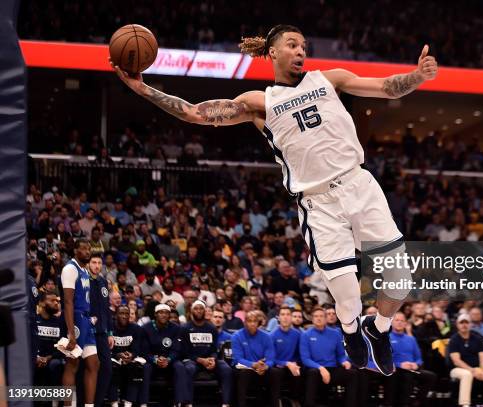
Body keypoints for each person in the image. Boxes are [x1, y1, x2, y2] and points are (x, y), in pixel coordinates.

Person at [110, 24, 437, 376]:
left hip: (360, 184)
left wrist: (417, 75)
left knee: (400, 277)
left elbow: (386, 88)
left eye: (304, 46)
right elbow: (194, 112)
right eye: (292, 45)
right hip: (319, 203)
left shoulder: (330, 79)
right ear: (272, 52)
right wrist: (141, 87)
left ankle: (380, 329)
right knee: (347, 297)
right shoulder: (259, 103)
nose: (300, 51)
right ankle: (352, 328)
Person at [60, 239, 99, 407]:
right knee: (72, 364)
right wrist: (71, 334)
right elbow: (68, 302)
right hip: (76, 320)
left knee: (93, 363)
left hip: (86, 320)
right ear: (75, 250)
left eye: (89, 249)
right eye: (83, 248)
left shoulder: (84, 270)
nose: (87, 251)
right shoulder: (70, 268)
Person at [300, 307, 357, 407]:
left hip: (332, 368)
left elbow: (340, 355)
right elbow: (305, 359)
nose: (318, 318)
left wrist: (344, 361)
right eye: (316, 316)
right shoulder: (305, 335)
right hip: (315, 369)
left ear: (326, 318)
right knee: (312, 373)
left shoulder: (335, 333)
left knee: (352, 374)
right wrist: (320, 368)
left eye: (321, 316)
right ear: (312, 319)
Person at [181, 300, 233, 407]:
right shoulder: (185, 328)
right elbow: (185, 352)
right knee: (188, 369)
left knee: (226, 369)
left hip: (209, 360)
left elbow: (214, 350)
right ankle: (188, 403)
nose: (199, 311)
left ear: (205, 311)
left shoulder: (211, 328)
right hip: (193, 360)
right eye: (196, 308)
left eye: (201, 309)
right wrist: (201, 360)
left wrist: (213, 359)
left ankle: (226, 403)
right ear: (191, 311)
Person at [380, 311, 437, 406]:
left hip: (411, 368)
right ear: (391, 322)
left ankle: (417, 402)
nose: (399, 322)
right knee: (406, 376)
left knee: (431, 376)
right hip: (395, 369)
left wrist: (416, 364)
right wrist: (400, 364)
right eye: (397, 320)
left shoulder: (411, 339)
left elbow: (419, 358)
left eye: (402, 320)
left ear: (406, 323)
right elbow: (384, 358)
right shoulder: (387, 338)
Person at [141, 304, 189, 406]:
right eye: (161, 312)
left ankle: (179, 402)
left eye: (166, 313)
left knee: (179, 366)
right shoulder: (146, 328)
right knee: (145, 368)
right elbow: (144, 351)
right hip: (152, 361)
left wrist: (168, 359)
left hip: (169, 361)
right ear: (155, 314)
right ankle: (143, 403)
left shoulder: (176, 328)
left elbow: (177, 349)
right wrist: (155, 359)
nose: (164, 315)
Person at [231, 311, 276, 407]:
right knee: (244, 373)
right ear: (245, 322)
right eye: (249, 321)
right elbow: (237, 359)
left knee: (275, 372)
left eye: (255, 321)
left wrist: (265, 366)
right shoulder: (237, 336)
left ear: (258, 323)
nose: (252, 323)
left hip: (261, 369)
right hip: (244, 369)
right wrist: (253, 365)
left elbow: (271, 358)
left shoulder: (266, 337)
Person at [88, 252, 115, 406]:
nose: (97, 266)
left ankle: (96, 402)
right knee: (87, 369)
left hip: (102, 333)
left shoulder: (104, 282)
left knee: (107, 369)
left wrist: (110, 332)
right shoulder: (83, 280)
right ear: (88, 263)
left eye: (99, 263)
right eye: (93, 262)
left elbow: (106, 309)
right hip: (87, 333)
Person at [109, 305, 145, 407]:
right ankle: (114, 402)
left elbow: (137, 348)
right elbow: (104, 348)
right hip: (113, 357)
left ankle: (128, 402)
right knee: (112, 367)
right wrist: (117, 355)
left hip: (128, 359)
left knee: (136, 368)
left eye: (126, 314)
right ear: (115, 315)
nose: (124, 316)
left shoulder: (136, 329)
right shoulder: (109, 327)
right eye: (121, 313)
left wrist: (132, 355)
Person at [270, 305, 303, 406]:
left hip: (293, 365)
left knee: (299, 370)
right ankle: (277, 401)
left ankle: (295, 400)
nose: (285, 317)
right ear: (278, 318)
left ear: (291, 317)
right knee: (276, 372)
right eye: (282, 314)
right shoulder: (272, 335)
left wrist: (294, 363)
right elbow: (270, 358)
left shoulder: (298, 334)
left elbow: (301, 354)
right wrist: (286, 363)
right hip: (277, 365)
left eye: (288, 314)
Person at [34, 291, 65, 387]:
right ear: (41, 303)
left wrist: (48, 358)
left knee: (55, 365)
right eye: (52, 300)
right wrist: (36, 357)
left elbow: (62, 346)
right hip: (34, 357)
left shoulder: (59, 323)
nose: (56, 303)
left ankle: (53, 400)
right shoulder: (33, 321)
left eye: (56, 300)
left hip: (52, 358)